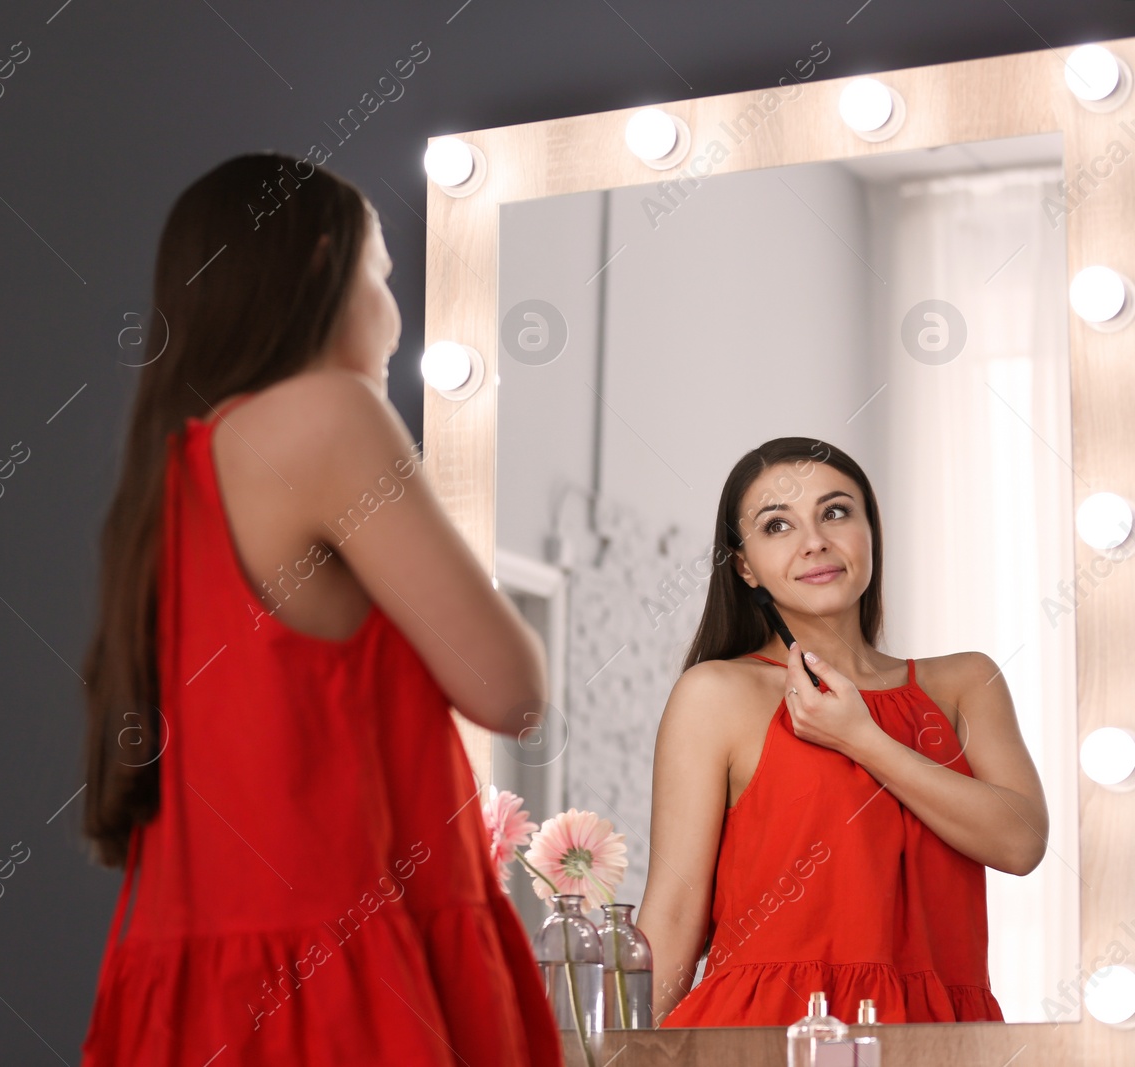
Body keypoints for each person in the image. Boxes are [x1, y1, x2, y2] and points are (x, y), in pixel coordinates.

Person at [77, 152, 563, 1065]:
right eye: (383, 274)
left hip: (194, 997)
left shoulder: (167, 481)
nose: (395, 312)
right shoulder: (328, 417)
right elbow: (511, 691)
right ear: (321, 266)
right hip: (344, 992)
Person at [634, 437, 1047, 1027]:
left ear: (869, 531)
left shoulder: (965, 682)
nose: (814, 542)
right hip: (760, 1036)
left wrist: (862, 738)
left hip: (943, 1037)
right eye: (777, 525)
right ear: (745, 564)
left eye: (835, 512)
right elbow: (675, 911)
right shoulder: (717, 694)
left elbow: (1021, 843)